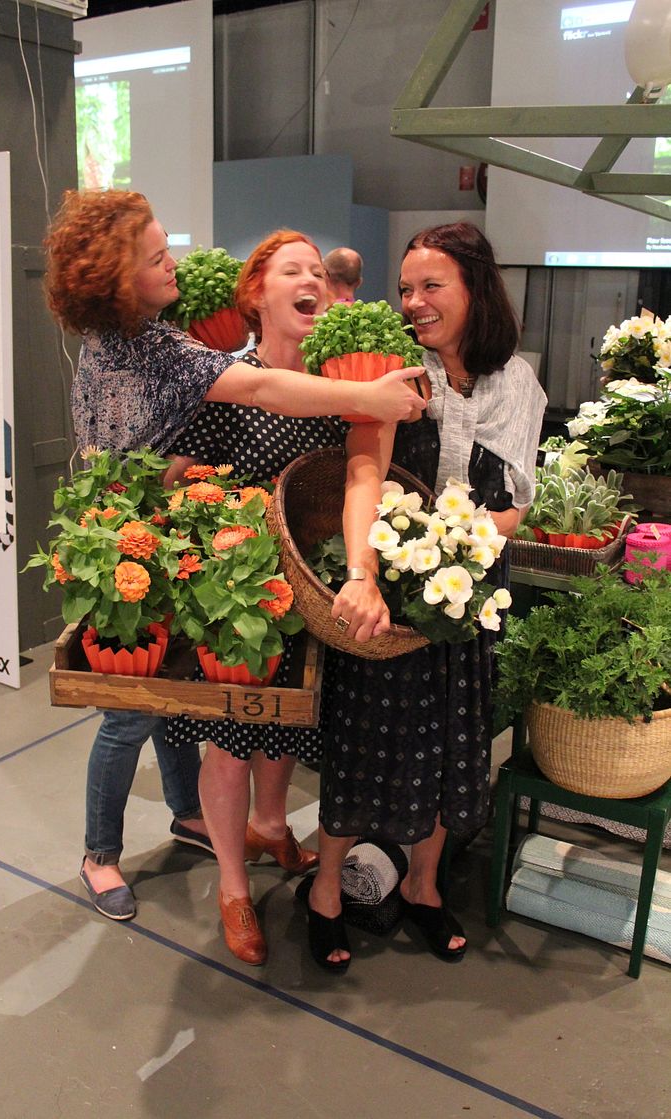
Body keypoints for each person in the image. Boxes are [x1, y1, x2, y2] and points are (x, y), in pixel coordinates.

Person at [43, 190, 425, 923]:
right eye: (157, 257)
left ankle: (189, 813)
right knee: (130, 712)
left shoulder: (119, 339)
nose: (175, 263)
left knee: (172, 703)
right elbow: (260, 385)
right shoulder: (159, 349)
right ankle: (99, 853)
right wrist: (372, 396)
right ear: (121, 281)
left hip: (140, 529)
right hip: (130, 536)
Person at [298, 221, 547, 971]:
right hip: (390, 590)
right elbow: (363, 476)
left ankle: (425, 886)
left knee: (450, 742)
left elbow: (518, 498)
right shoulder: (391, 374)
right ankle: (327, 892)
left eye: (431, 285)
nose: (414, 302)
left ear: (476, 289)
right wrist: (363, 573)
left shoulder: (517, 384)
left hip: (466, 592)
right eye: (406, 288)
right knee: (364, 740)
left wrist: (474, 538)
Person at [163, 230, 368, 965]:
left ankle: (273, 827)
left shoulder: (340, 384)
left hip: (309, 592)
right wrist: (216, 520)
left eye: (318, 269)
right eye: (293, 270)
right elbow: (175, 476)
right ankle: (230, 887)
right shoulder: (226, 379)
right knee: (231, 741)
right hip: (238, 595)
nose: (311, 278)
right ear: (257, 294)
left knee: (290, 723)